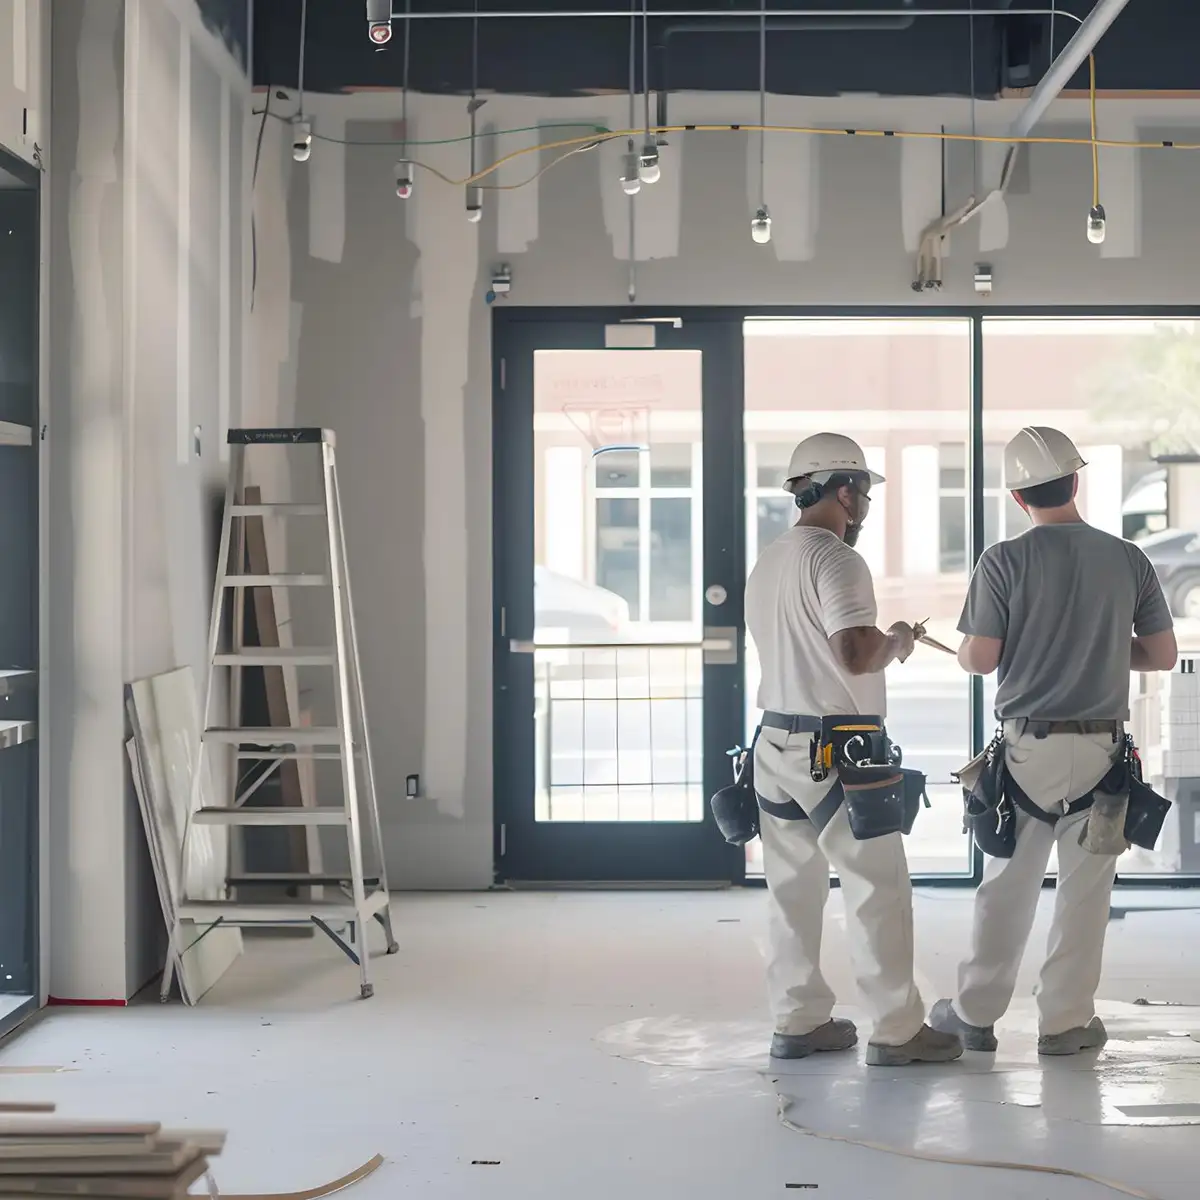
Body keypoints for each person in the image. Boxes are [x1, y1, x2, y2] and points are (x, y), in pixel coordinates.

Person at [932, 426, 1178, 1056]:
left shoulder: (1003, 561)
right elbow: (1159, 653)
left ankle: (975, 1014)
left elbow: (981, 659)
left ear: (1018, 498)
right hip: (1102, 753)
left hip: (1026, 753)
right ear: (1077, 480)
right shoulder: (1129, 559)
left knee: (1006, 888)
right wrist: (1095, 650)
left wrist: (974, 647)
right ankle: (1065, 1023)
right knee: (1086, 892)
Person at [745, 432, 963, 1067]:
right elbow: (853, 652)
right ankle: (897, 1030)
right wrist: (895, 638)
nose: (862, 503)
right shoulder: (838, 560)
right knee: (877, 887)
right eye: (862, 491)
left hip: (775, 744)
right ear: (844, 491)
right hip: (838, 747)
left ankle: (798, 1020)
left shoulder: (772, 559)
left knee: (791, 889)